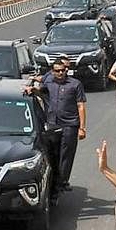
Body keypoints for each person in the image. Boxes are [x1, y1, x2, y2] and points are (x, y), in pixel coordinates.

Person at [35, 62, 86, 193]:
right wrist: (32, 91)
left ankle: (62, 182)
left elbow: (81, 106)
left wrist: (82, 127)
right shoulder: (49, 84)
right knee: (53, 153)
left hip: (70, 125)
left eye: (63, 70)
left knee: (66, 155)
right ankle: (53, 179)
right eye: (57, 71)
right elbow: (42, 95)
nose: (60, 73)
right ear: (52, 72)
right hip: (53, 124)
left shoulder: (75, 84)